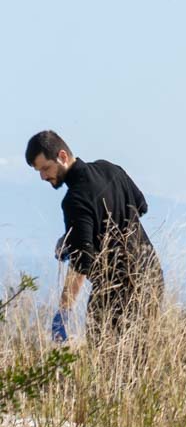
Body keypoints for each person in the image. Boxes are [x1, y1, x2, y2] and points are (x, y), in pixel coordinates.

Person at [25, 129, 163, 342]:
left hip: (116, 290)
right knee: (140, 357)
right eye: (38, 171)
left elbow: (82, 262)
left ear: (62, 156)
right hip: (152, 277)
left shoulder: (74, 200)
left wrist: (64, 311)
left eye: (45, 168)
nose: (43, 176)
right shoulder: (110, 169)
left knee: (107, 359)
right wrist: (72, 237)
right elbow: (141, 206)